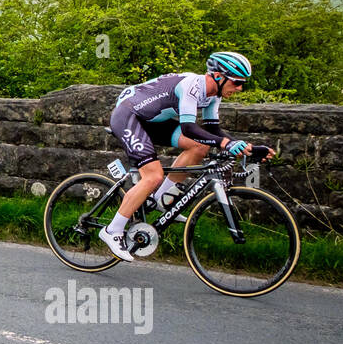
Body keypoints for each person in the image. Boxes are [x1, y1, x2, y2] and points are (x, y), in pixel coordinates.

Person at [101, 51, 276, 261]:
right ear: (219, 76)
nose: (240, 88)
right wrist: (225, 144)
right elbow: (190, 128)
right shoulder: (192, 86)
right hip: (129, 115)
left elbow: (213, 131)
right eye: (237, 82)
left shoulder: (214, 95)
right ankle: (113, 230)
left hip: (153, 121)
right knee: (153, 176)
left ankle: (161, 199)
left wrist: (248, 147)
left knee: (200, 148)